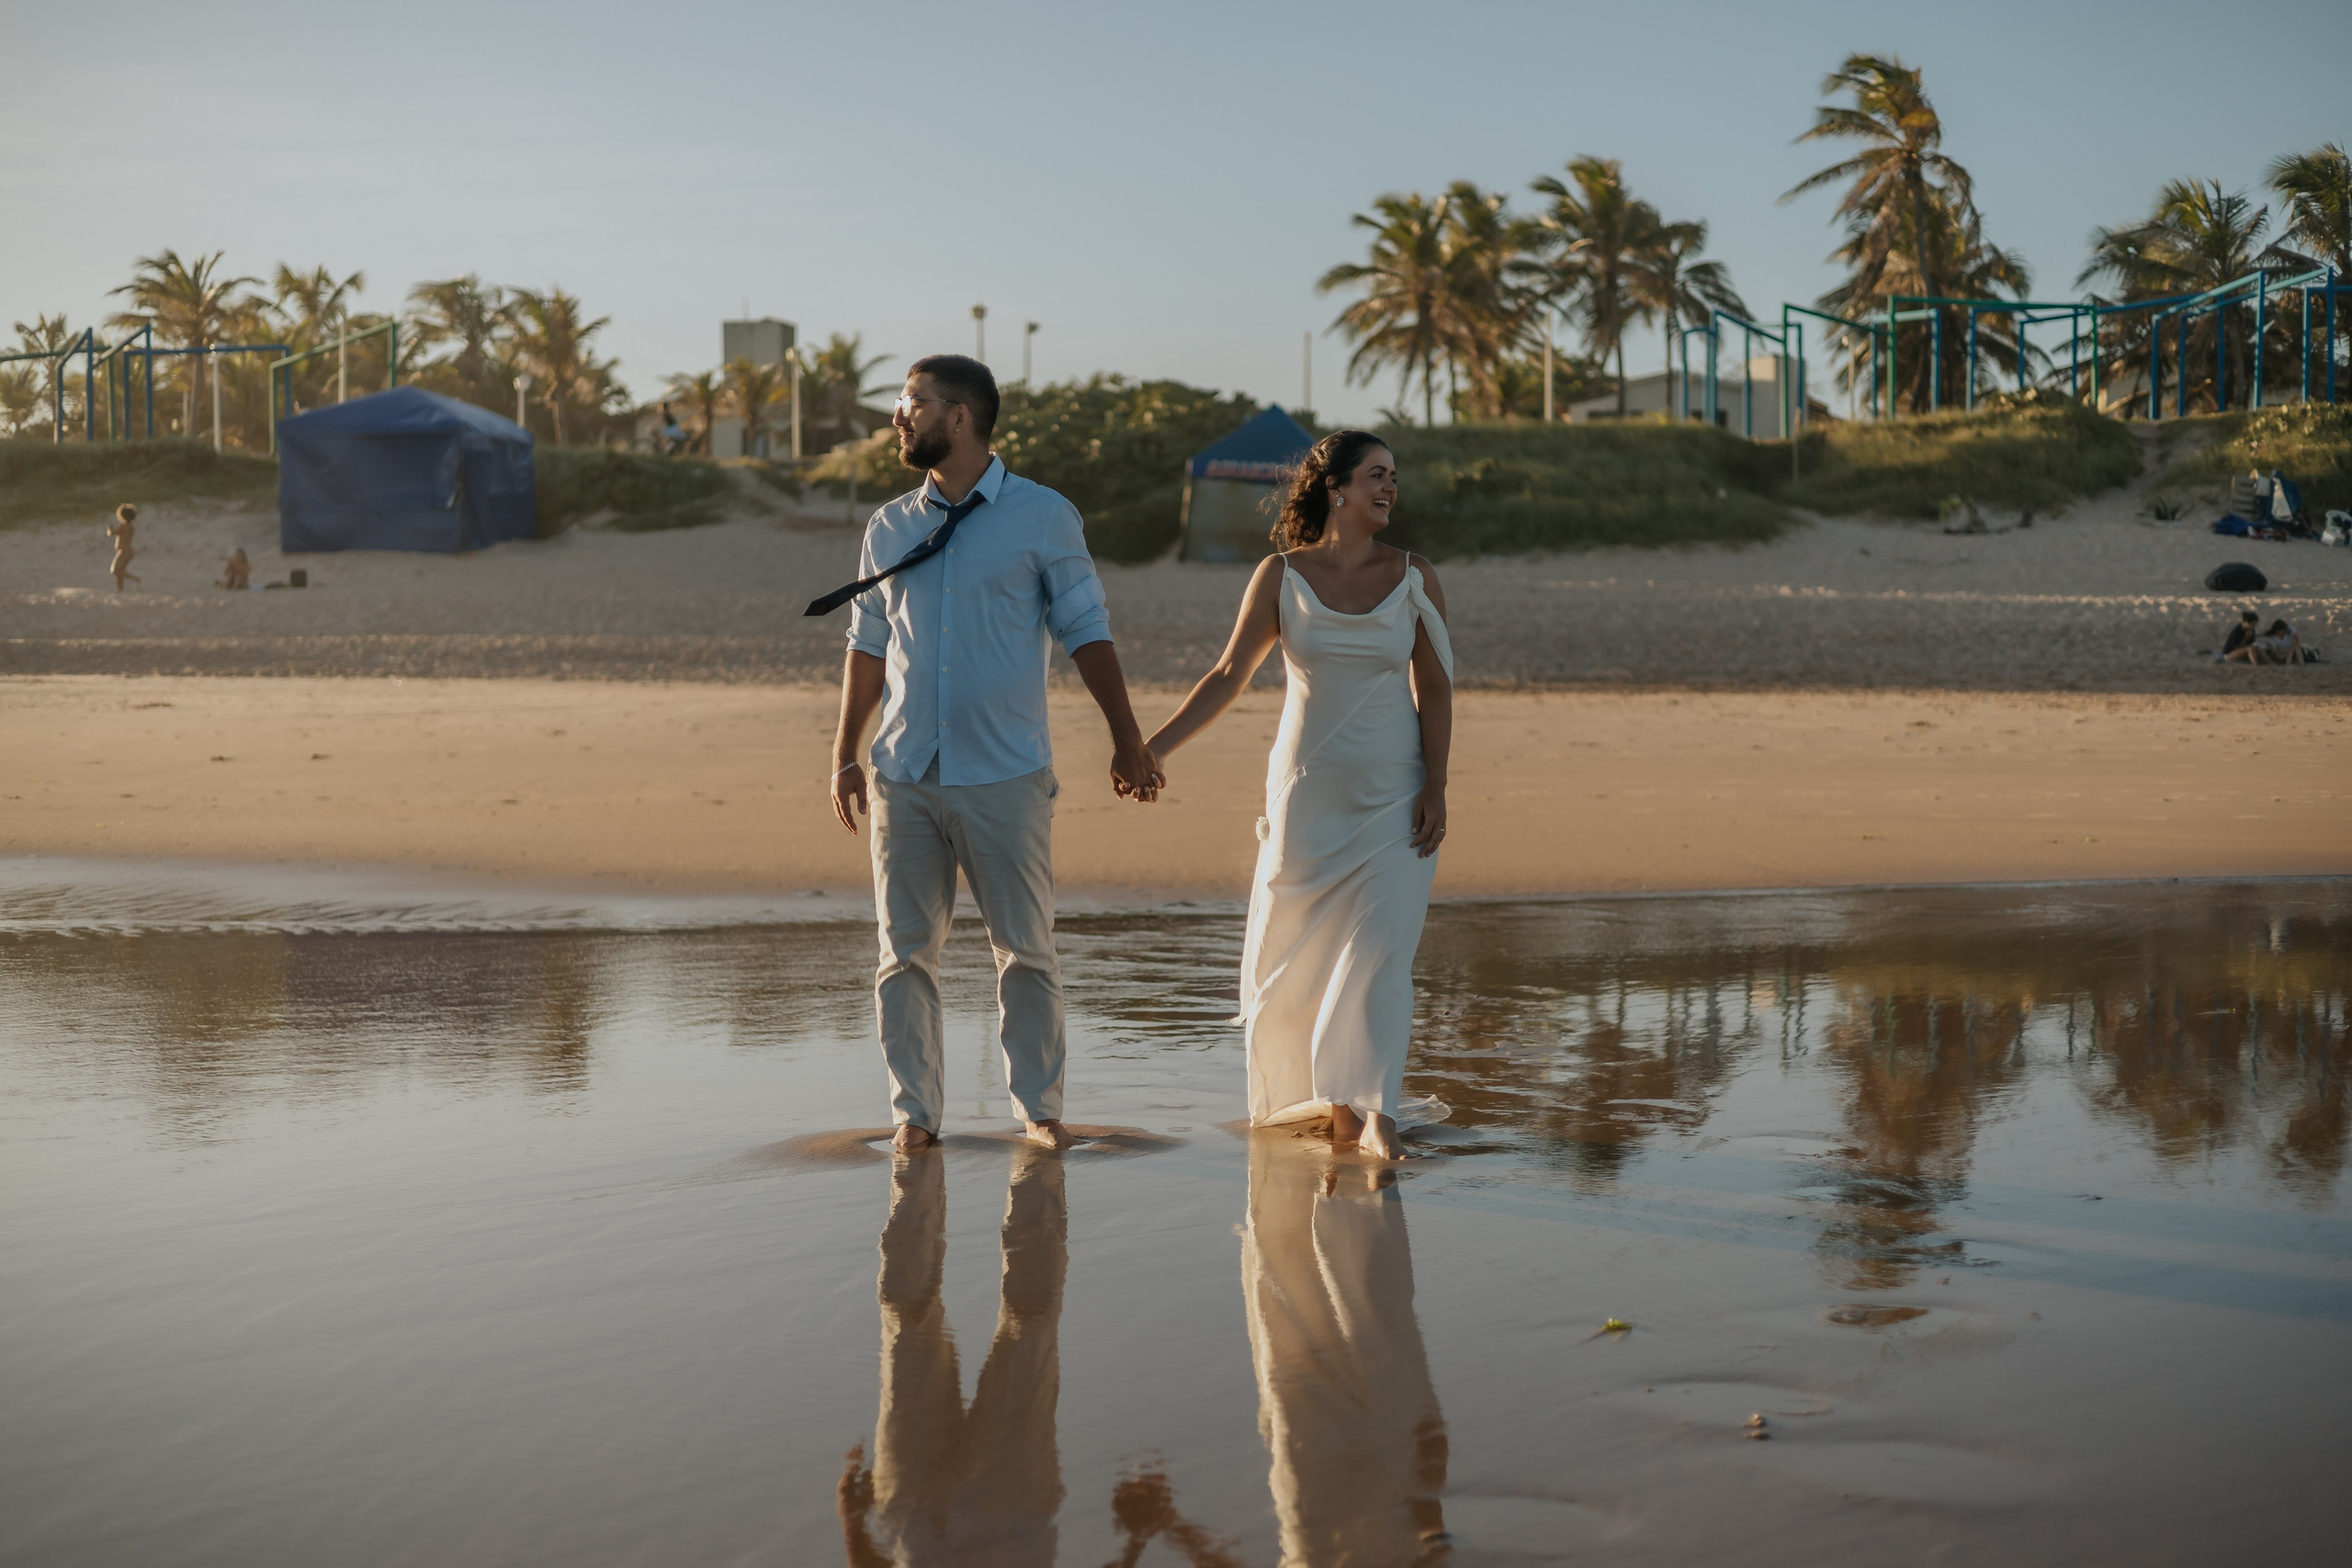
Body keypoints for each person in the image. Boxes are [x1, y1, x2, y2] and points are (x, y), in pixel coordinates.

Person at [817, 355, 1161, 1154]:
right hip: (904, 772)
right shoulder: (888, 525)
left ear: (960, 415)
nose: (898, 417)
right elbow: (868, 644)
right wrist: (844, 753)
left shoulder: (1044, 516)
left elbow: (1086, 630)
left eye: (912, 403)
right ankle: (914, 1118)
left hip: (1005, 773)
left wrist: (1126, 737)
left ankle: (1040, 1113)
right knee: (903, 956)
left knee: (1027, 952)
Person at [1143, 431, 1453, 1162]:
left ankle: (1378, 1114)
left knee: (1382, 954)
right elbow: (1228, 674)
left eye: (1394, 477)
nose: (1390, 487)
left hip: (1396, 796)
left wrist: (1437, 784)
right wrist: (1153, 747)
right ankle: (1338, 1107)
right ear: (1336, 487)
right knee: (1304, 961)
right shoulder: (1280, 575)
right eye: (1376, 475)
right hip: (1308, 799)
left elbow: (1436, 687)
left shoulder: (1415, 575)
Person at [2225, 618, 2301, 665]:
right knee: (2252, 648)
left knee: (2294, 648)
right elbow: (2236, 647)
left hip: (2285, 651)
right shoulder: (2237, 632)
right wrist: (2245, 638)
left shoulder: (2289, 631)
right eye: (2253, 624)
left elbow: (2297, 640)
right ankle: (2258, 665)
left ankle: (2299, 665)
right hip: (2232, 653)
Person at [105, 503, 141, 592]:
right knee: (119, 571)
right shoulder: (130, 526)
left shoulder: (124, 526)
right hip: (126, 551)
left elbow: (112, 533)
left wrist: (109, 529)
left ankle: (136, 579)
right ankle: (120, 589)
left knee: (116, 571)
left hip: (125, 551)